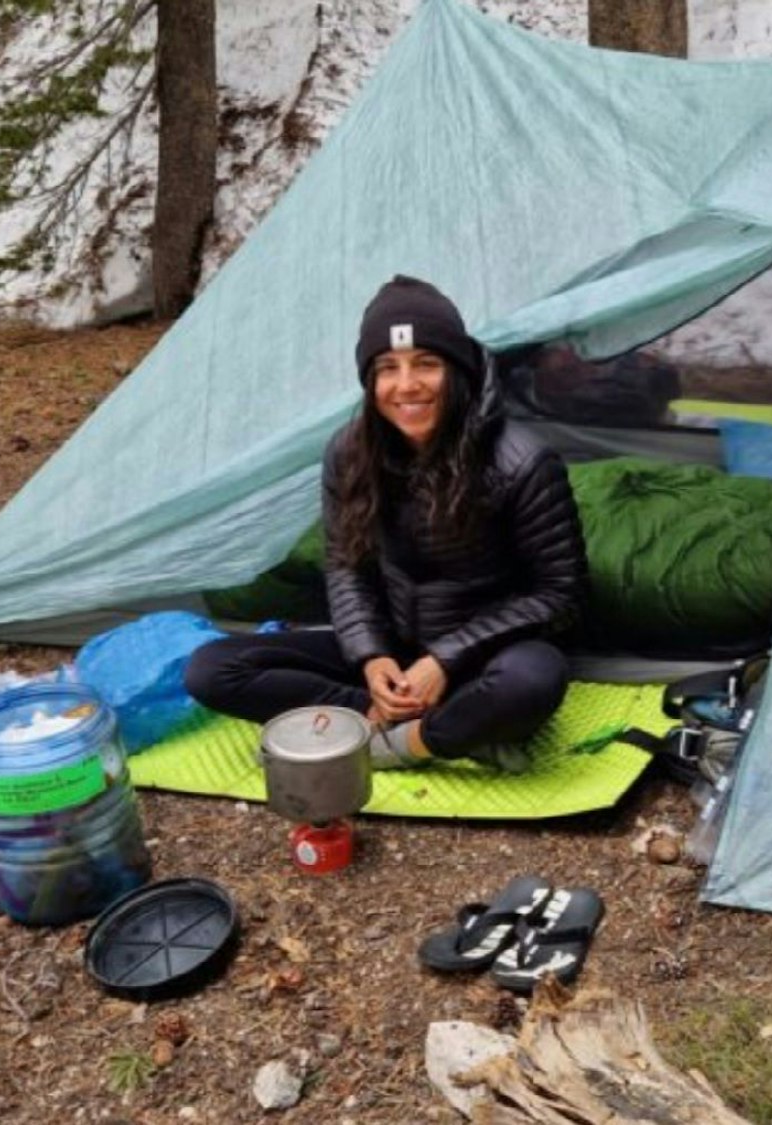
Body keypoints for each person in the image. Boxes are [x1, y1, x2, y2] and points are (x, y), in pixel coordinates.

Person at [185, 276, 587, 770]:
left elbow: (561, 595)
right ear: (370, 382)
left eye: (427, 364)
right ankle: (399, 721)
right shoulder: (349, 451)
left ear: (458, 370)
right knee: (212, 669)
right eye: (387, 369)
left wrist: (445, 658)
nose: (407, 385)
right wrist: (371, 657)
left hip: (485, 657)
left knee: (533, 680)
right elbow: (345, 566)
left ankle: (406, 743)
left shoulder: (522, 462)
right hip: (393, 650)